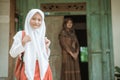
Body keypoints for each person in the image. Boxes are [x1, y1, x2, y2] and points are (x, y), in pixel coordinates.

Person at [9, 9, 52, 80]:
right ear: (28, 19)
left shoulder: (42, 36)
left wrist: (46, 47)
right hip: (27, 70)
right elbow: (12, 53)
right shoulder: (21, 34)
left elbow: (45, 57)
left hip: (44, 71)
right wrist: (23, 43)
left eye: (39, 20)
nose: (36, 22)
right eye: (33, 19)